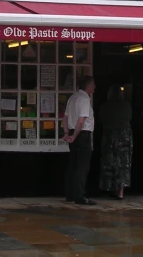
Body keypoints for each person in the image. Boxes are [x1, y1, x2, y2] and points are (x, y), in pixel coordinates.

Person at [63, 76, 96, 205]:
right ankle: (80, 196)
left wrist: (67, 133)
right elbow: (81, 120)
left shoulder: (72, 98)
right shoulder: (84, 99)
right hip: (82, 135)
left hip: (73, 132)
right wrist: (75, 136)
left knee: (73, 165)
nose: (94, 87)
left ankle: (70, 194)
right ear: (88, 86)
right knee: (82, 166)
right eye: (93, 85)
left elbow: (65, 117)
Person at [98, 85, 133, 200]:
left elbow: (101, 118)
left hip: (109, 134)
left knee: (109, 161)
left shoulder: (105, 106)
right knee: (123, 163)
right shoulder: (126, 106)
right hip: (124, 135)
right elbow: (130, 117)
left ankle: (109, 187)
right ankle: (121, 191)